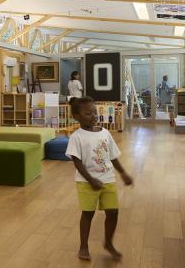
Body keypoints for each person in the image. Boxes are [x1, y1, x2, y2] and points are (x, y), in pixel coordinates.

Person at [65, 97, 133, 261]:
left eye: (95, 112)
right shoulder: (76, 137)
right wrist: (91, 180)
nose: (94, 116)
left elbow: (113, 156)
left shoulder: (105, 133)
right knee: (88, 214)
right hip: (86, 182)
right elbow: (77, 162)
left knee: (113, 212)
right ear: (76, 116)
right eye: (88, 113)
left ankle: (108, 243)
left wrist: (123, 173)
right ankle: (83, 246)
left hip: (108, 179)